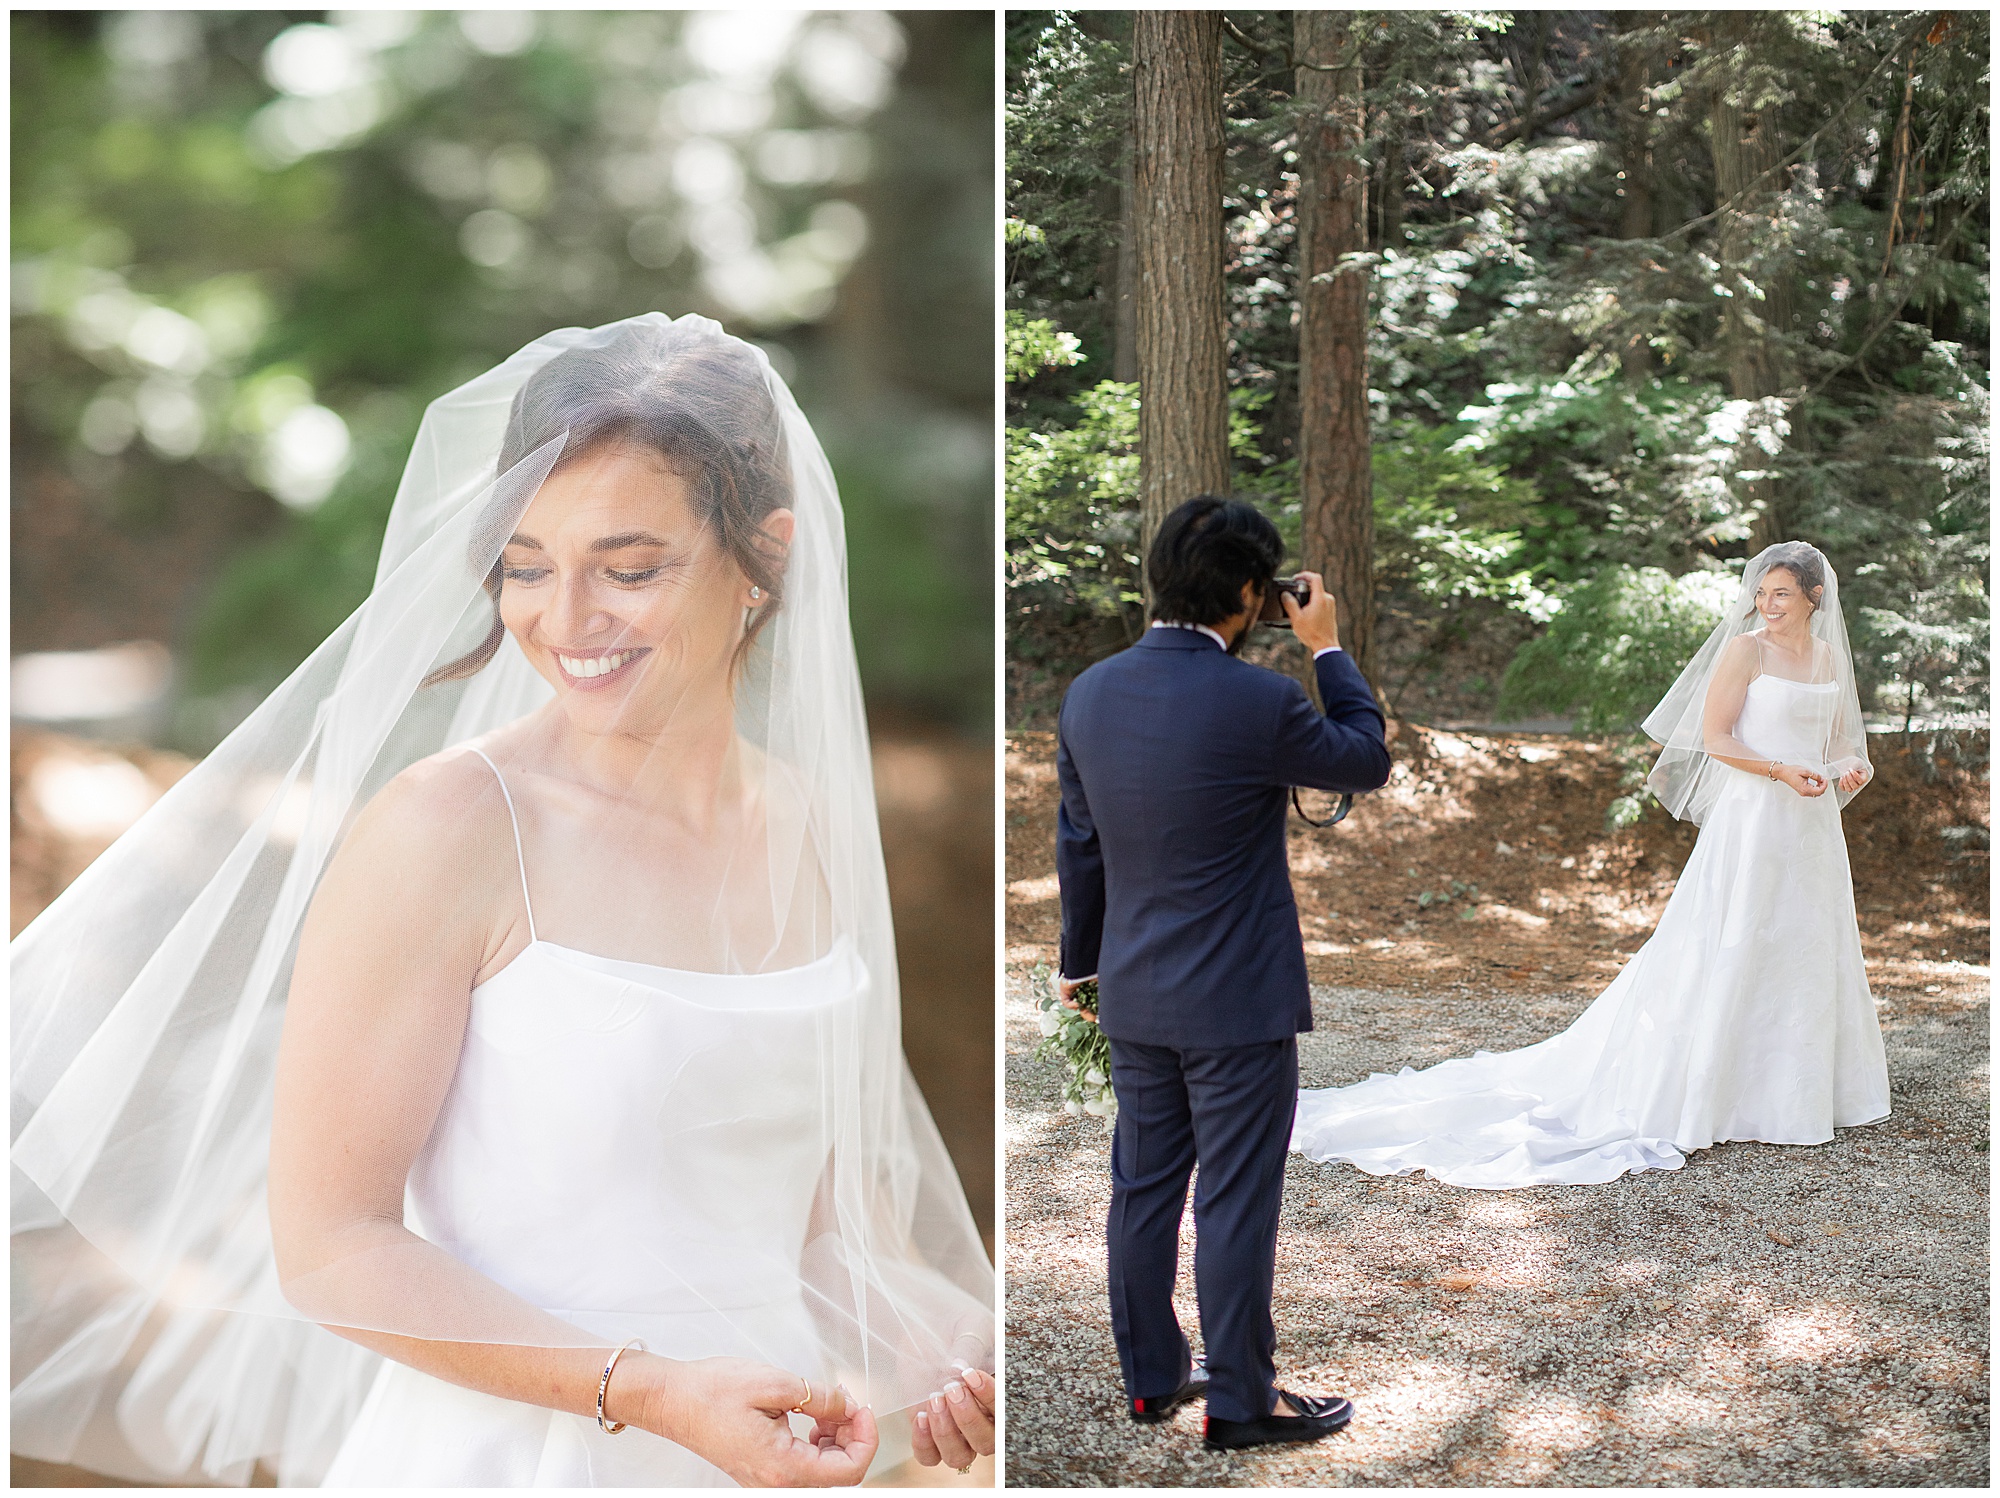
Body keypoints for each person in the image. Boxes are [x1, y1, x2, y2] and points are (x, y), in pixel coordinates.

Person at [11, 315, 994, 1486]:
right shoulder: (448, 832)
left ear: (764, 558)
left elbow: (822, 1228)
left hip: (766, 1452)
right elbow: (332, 1247)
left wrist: (951, 1343)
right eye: (525, 565)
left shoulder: (803, 822)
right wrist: (652, 1392)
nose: (563, 619)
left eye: (628, 569)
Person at [1292, 541, 1891, 1189]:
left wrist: (1848, 767)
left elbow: (1834, 745)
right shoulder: (1745, 650)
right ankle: (1714, 1087)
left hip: (1809, 825)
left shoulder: (1827, 657)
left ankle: (1799, 1091)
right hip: (1754, 819)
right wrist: (1778, 769)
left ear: (1814, 598)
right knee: (1738, 937)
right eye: (1762, 593)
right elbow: (1714, 738)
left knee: (1805, 943)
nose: (1767, 605)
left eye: (1781, 594)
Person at [1053, 496, 1392, 1453]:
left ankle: (1150, 1380)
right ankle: (1243, 1401)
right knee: (1234, 1198)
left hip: (1133, 991)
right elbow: (1364, 759)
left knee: (1143, 1189)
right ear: (1252, 594)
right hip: (1237, 1001)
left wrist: (1080, 967)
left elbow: (1080, 847)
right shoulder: (1262, 700)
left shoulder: (1089, 692)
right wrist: (1326, 648)